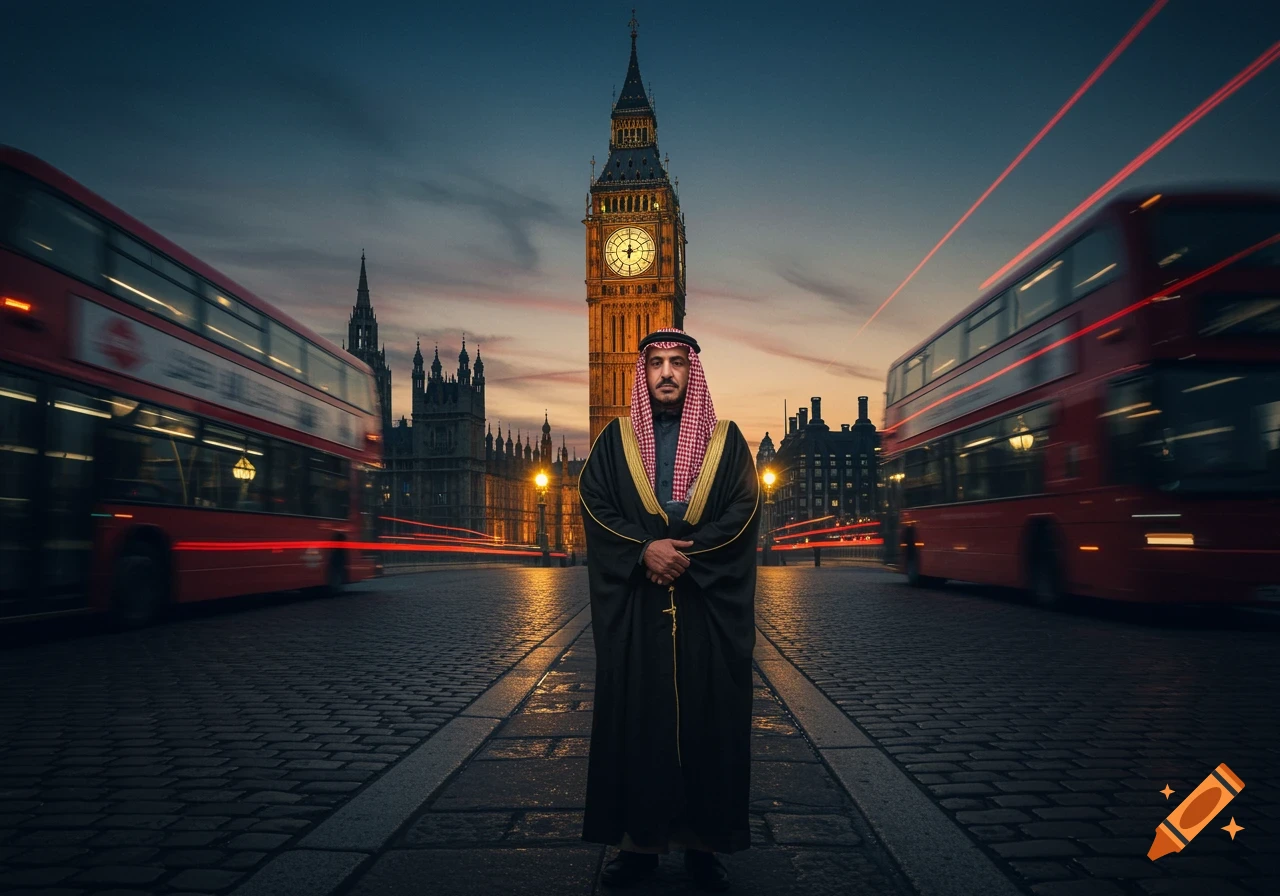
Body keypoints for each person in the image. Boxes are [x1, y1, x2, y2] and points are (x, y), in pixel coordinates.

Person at [579, 329, 760, 891]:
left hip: (707, 613)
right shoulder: (616, 439)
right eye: (655, 363)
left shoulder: (727, 442)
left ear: (692, 372)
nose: (665, 373)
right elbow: (594, 501)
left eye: (676, 363)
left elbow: (744, 509)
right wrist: (643, 551)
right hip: (638, 611)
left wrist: (682, 558)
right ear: (643, 372)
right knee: (639, 721)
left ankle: (706, 844)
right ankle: (640, 844)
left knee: (712, 722)